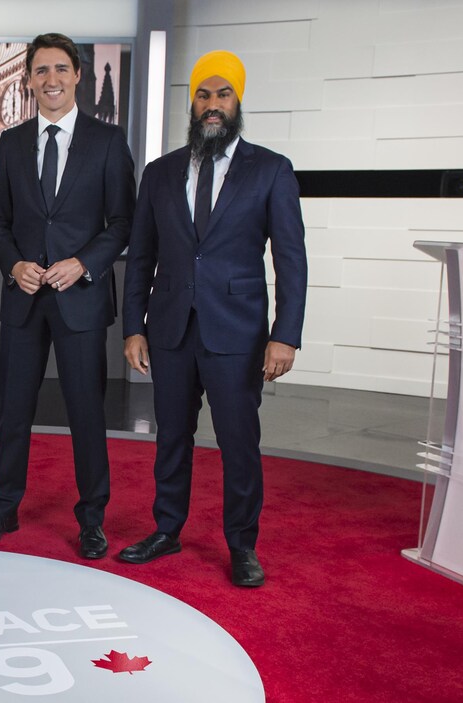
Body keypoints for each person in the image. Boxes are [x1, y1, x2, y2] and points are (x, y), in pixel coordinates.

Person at [120, 50, 307, 587]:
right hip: (171, 328)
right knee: (171, 435)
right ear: (192, 103)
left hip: (239, 335)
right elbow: (141, 256)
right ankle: (166, 529)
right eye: (203, 95)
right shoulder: (160, 173)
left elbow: (291, 260)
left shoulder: (271, 170)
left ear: (237, 102)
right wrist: (135, 325)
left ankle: (242, 545)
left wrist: (285, 336)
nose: (212, 105)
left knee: (238, 442)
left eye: (222, 95)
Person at [0, 33, 135, 559]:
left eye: (61, 69)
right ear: (29, 79)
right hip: (23, 299)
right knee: (13, 409)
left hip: (80, 298)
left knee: (87, 412)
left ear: (78, 76)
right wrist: (14, 262)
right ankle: (2, 511)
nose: (51, 80)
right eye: (41, 71)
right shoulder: (13, 143)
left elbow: (122, 223)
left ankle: (92, 519)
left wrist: (83, 263)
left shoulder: (108, 142)